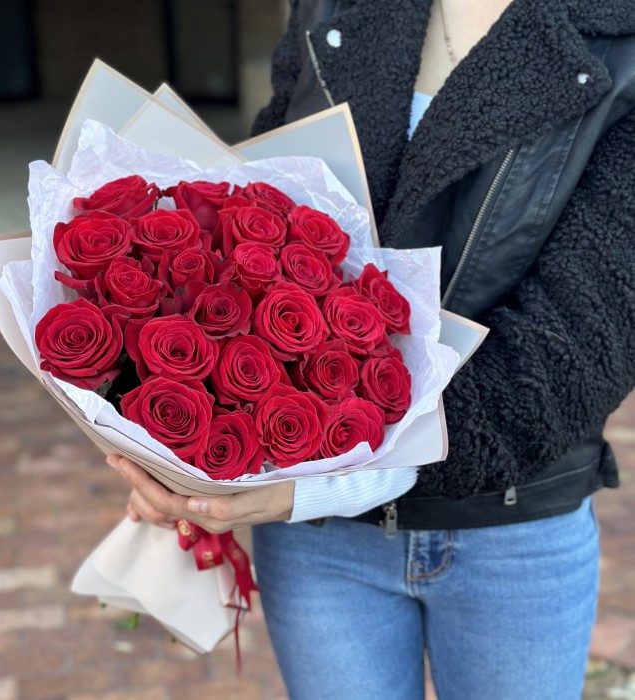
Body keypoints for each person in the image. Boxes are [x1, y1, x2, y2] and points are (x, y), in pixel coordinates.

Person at [107, 0, 635, 697]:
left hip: (510, 524)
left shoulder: (618, 31)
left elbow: (574, 349)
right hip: (319, 539)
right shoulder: (332, 6)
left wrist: (315, 481)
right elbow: (260, 216)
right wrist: (175, 428)